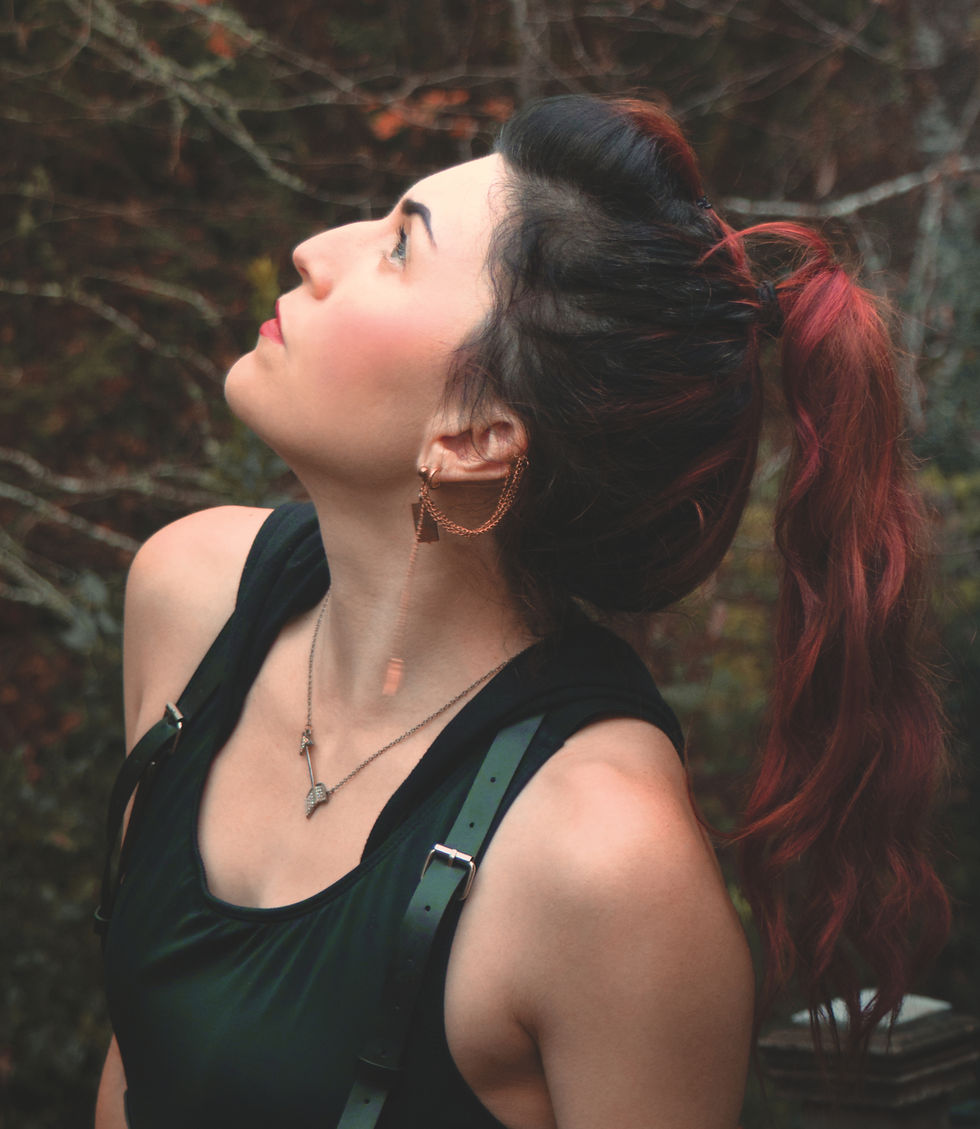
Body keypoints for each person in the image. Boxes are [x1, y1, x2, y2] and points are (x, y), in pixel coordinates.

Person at [94, 95, 949, 1129]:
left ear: (474, 437)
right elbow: (137, 1067)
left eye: (398, 247)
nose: (315, 249)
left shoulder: (600, 862)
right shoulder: (190, 598)